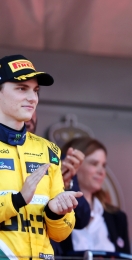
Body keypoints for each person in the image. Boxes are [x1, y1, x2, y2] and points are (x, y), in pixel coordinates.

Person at [0, 54, 82, 258]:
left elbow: (60, 234)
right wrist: (17, 200)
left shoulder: (49, 150)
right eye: (22, 89)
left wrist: (56, 212)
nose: (32, 98)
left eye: (35, 91)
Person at [25, 111, 91, 255]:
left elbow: (82, 219)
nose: (29, 102)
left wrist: (65, 184)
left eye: (35, 92)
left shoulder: (52, 155)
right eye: (21, 89)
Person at [59, 137, 131, 255]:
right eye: (94, 163)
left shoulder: (117, 218)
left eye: (103, 165)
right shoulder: (56, 212)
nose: (101, 171)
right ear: (73, 165)